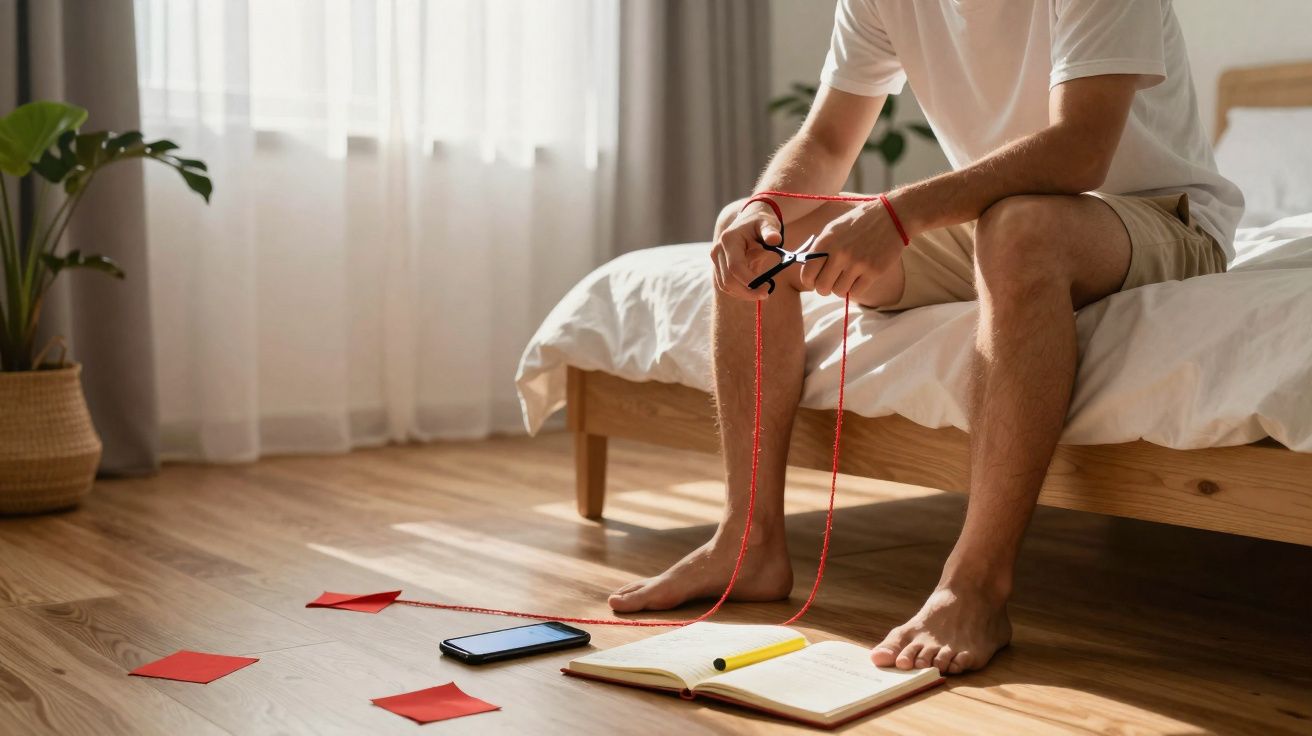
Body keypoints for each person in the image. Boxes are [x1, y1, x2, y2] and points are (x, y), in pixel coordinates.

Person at [607, 0, 1243, 674]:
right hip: (1002, 215)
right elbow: (826, 143)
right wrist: (765, 204)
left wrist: (901, 213)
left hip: (1159, 217)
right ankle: (749, 539)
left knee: (1019, 230)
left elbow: (1081, 148)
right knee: (758, 235)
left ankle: (975, 583)